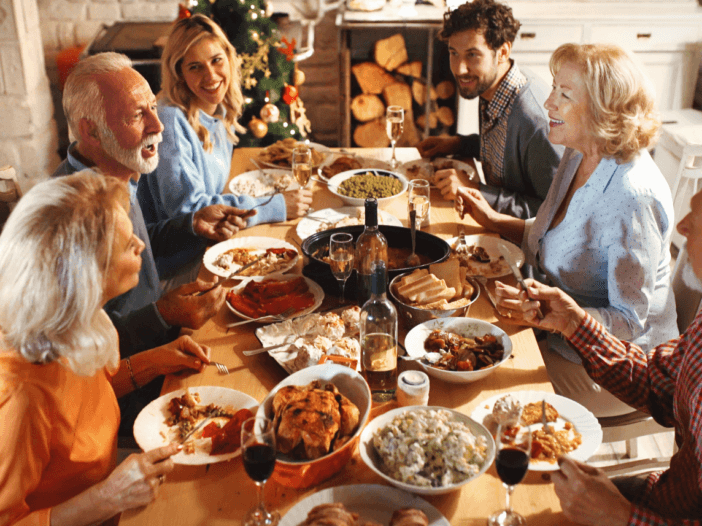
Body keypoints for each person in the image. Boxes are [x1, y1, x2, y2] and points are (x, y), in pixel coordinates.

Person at [457, 42, 678, 418]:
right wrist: (495, 223)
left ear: (604, 108)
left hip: (619, 369)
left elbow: (628, 321)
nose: (548, 103)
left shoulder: (631, 197)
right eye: (553, 88)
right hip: (559, 333)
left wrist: (557, 317)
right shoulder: (579, 151)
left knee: (483, 388)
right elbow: (556, 234)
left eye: (564, 94)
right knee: (462, 344)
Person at [0, 172, 214, 525]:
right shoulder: (19, 395)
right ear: (86, 274)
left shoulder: (74, 323)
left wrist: (156, 362)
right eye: (128, 243)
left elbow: (79, 407)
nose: (141, 246)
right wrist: (106, 498)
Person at [492, 189, 702, 525]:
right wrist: (574, 325)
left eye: (698, 217)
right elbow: (656, 382)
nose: (682, 227)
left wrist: (621, 517)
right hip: (661, 498)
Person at [55, 51, 250, 357]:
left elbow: (131, 254)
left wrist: (191, 226)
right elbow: (75, 349)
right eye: (136, 116)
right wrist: (163, 316)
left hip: (160, 336)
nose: (159, 125)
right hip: (133, 377)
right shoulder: (68, 217)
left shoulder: (115, 172)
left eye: (154, 108)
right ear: (90, 130)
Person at [137, 14, 312, 222]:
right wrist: (272, 207)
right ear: (179, 73)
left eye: (216, 60)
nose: (211, 76)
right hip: (181, 252)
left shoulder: (218, 109)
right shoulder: (170, 119)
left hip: (215, 236)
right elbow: (189, 210)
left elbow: (213, 194)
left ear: (229, 59)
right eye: (195, 67)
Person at [416, 0, 563, 220]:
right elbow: (504, 151)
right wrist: (459, 143)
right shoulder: (491, 87)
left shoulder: (535, 121)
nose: (459, 68)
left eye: (472, 55)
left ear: (503, 52)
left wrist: (476, 190)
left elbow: (555, 213)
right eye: (453, 53)